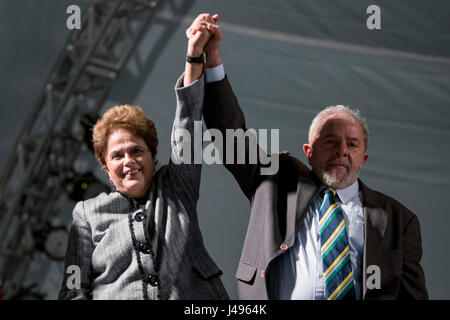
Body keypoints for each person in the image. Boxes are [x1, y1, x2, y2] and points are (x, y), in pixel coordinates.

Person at [187, 13, 428, 300]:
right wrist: (210, 58)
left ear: (364, 158)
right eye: (331, 141)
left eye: (352, 144)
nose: (342, 151)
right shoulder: (275, 184)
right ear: (309, 152)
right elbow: (230, 136)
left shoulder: (399, 221)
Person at [58, 19, 229, 300]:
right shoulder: (87, 215)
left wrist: (194, 54)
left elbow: (187, 124)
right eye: (117, 155)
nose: (129, 160)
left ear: (152, 155)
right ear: (105, 167)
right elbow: (73, 290)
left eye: (137, 151)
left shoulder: (176, 187)